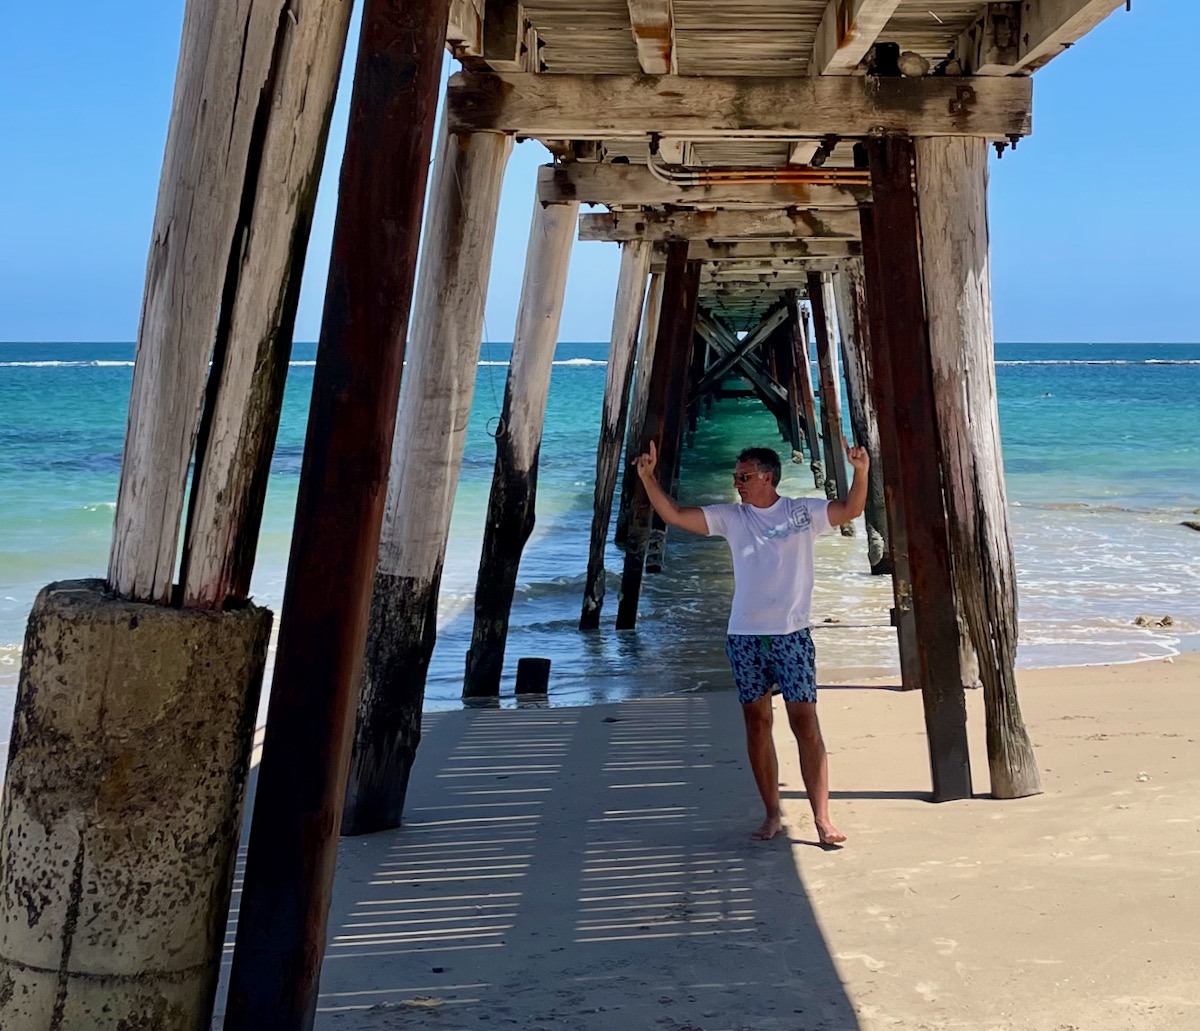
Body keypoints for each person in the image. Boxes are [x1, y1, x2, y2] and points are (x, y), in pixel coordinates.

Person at [635, 437, 869, 845]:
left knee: (805, 723)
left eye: (743, 477)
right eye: (735, 477)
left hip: (791, 635)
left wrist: (860, 472)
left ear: (767, 477)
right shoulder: (732, 518)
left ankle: (823, 818)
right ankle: (772, 815)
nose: (737, 484)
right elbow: (673, 515)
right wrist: (647, 478)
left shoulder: (802, 511)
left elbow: (851, 509)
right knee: (757, 723)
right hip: (744, 635)